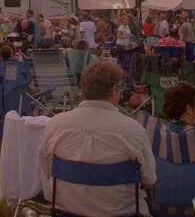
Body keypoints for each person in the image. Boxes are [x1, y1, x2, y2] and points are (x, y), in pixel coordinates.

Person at [39, 61, 156, 216]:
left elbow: (47, 170)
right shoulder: (133, 130)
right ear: (115, 89)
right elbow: (149, 180)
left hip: (66, 211)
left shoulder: (55, 125)